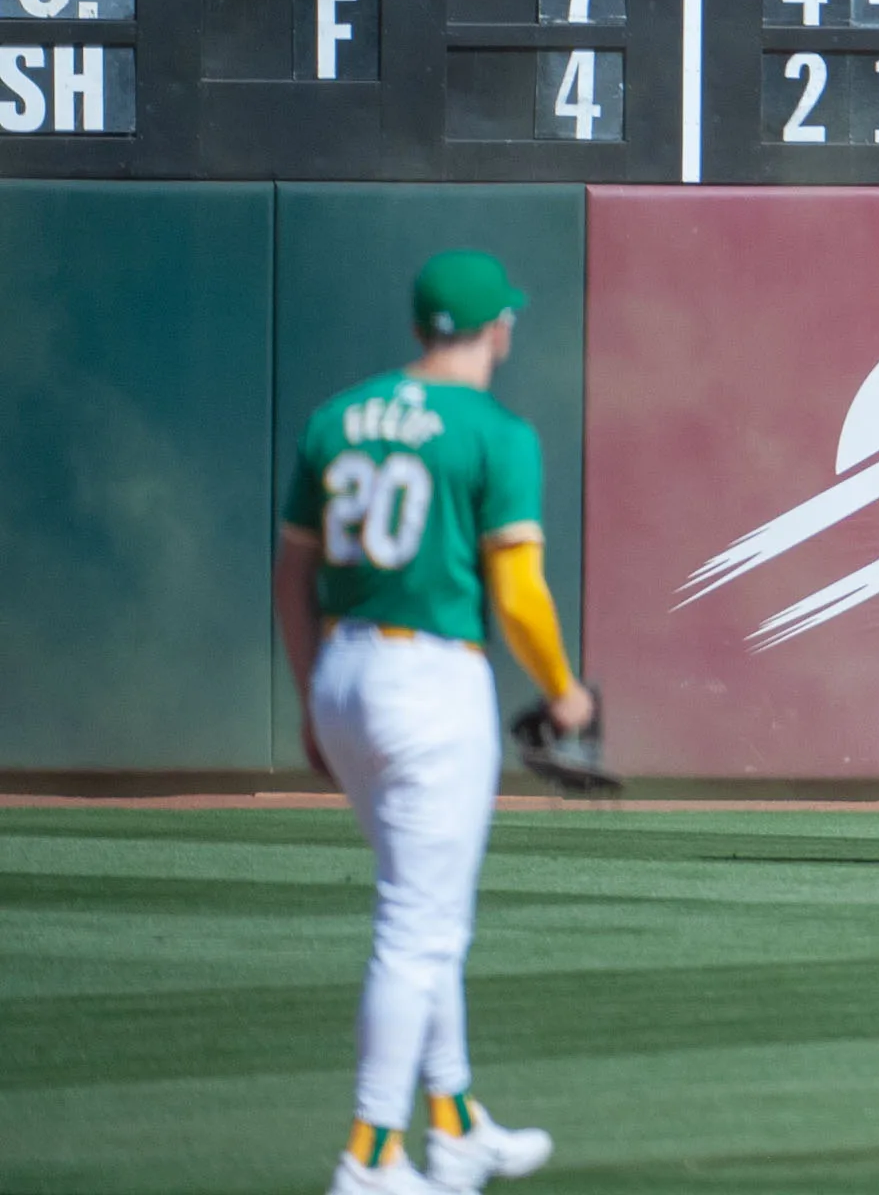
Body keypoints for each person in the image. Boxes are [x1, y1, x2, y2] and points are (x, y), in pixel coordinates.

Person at [273, 249, 589, 1190]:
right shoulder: (493, 431)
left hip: (344, 675)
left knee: (431, 915)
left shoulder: (338, 418)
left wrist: (309, 696)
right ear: (497, 328)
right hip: (430, 682)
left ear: (420, 328)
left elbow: (293, 575)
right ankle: (371, 1155)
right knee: (418, 925)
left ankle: (452, 1124)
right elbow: (521, 592)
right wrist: (564, 688)